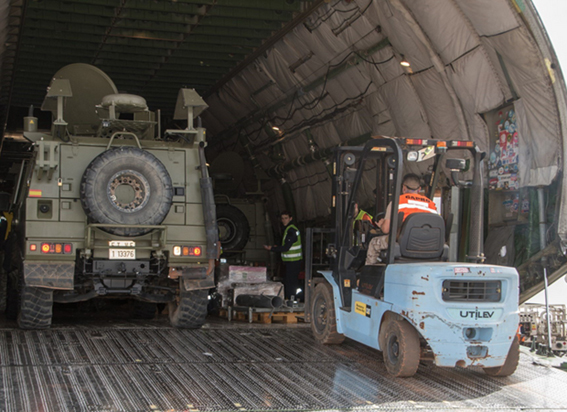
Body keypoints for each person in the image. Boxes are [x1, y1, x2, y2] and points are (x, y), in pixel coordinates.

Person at [366, 174, 438, 265]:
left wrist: (381, 225)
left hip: (404, 243)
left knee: (374, 243)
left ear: (403, 188)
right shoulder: (431, 205)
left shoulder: (397, 202)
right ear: (419, 189)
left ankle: (370, 275)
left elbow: (385, 229)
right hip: (429, 244)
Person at [264, 211, 302, 300]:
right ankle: (291, 298)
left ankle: (291, 299)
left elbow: (286, 248)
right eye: (282, 218)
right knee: (290, 281)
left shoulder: (291, 231)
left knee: (290, 282)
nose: (284, 220)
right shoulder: (288, 229)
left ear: (290, 218)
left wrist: (272, 248)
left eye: (286, 218)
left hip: (293, 261)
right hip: (291, 261)